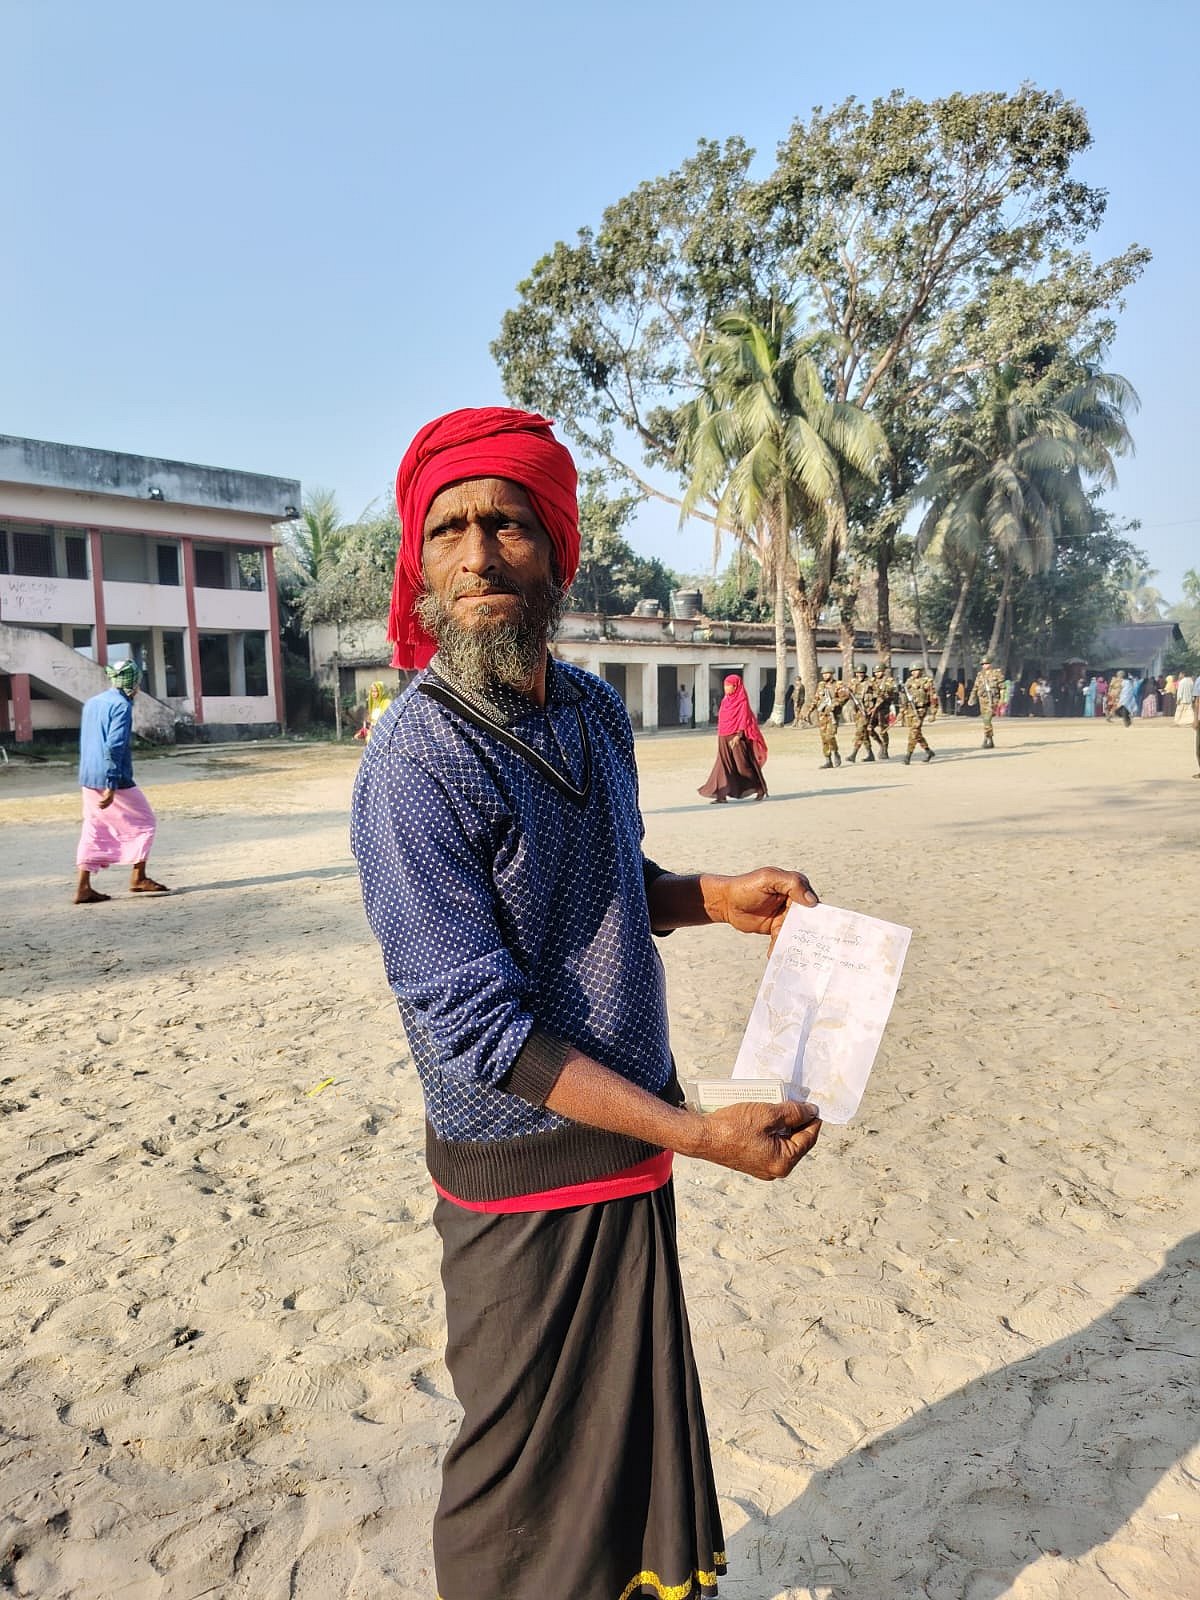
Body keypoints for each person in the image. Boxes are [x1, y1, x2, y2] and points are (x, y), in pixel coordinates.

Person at [351, 407, 822, 1600]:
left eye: (507, 523)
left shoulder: (596, 712)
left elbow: (608, 885)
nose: (477, 555)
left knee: (622, 1477)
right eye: (450, 529)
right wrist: (701, 1133)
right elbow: (477, 1027)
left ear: (557, 552)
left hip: (631, 1153)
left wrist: (717, 896)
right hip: (521, 1176)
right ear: (420, 566)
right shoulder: (413, 763)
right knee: (514, 1483)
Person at [74, 659, 170, 905]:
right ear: (134, 683)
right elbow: (114, 745)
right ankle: (139, 877)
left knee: (94, 826)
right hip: (112, 776)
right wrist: (112, 782)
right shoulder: (121, 705)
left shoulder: (93, 703)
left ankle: (83, 887)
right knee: (145, 821)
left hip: (88, 775)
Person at [698, 674, 768, 802]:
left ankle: (760, 788)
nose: (726, 688)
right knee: (722, 765)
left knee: (742, 766)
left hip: (736, 738)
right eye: (724, 685)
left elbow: (744, 719)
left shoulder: (742, 701)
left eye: (728, 685)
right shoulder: (725, 700)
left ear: (735, 686)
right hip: (723, 736)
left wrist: (739, 735)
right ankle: (721, 795)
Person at [810, 666, 848, 768]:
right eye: (823, 674)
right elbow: (816, 699)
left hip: (833, 715)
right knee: (824, 738)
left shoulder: (838, 685)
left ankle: (835, 752)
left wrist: (834, 704)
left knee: (830, 736)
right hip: (822, 715)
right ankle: (828, 760)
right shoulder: (821, 685)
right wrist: (809, 711)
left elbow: (844, 697)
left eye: (827, 673)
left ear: (832, 674)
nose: (825, 675)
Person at [967, 657, 1004, 749]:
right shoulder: (980, 675)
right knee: (985, 720)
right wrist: (972, 698)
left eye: (986, 663)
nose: (984, 665)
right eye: (983, 664)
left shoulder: (997, 673)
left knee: (987, 719)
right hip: (983, 700)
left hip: (993, 700)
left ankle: (986, 738)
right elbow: (975, 688)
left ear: (990, 664)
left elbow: (1002, 688)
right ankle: (990, 739)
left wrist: (1002, 700)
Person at [901, 668, 936, 763]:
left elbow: (933, 697)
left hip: (921, 710)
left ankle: (908, 756)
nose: (914, 672)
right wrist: (902, 711)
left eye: (916, 670)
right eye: (912, 671)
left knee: (914, 732)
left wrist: (933, 713)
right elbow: (904, 698)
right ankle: (928, 751)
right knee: (917, 733)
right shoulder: (908, 681)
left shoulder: (927, 682)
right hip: (910, 710)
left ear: (921, 671)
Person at [845, 665, 877, 763]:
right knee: (864, 734)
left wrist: (873, 708)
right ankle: (870, 754)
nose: (860, 675)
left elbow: (878, 695)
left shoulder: (870, 682)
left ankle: (853, 754)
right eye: (858, 673)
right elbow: (847, 695)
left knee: (859, 732)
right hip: (857, 711)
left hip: (866, 711)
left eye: (862, 673)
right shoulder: (853, 682)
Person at [868, 663, 896, 758]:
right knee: (869, 729)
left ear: (883, 671)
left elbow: (891, 691)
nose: (877, 674)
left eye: (879, 672)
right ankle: (881, 744)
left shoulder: (889, 681)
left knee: (883, 730)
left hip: (884, 708)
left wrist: (884, 694)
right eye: (875, 672)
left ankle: (885, 749)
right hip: (873, 708)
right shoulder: (872, 681)